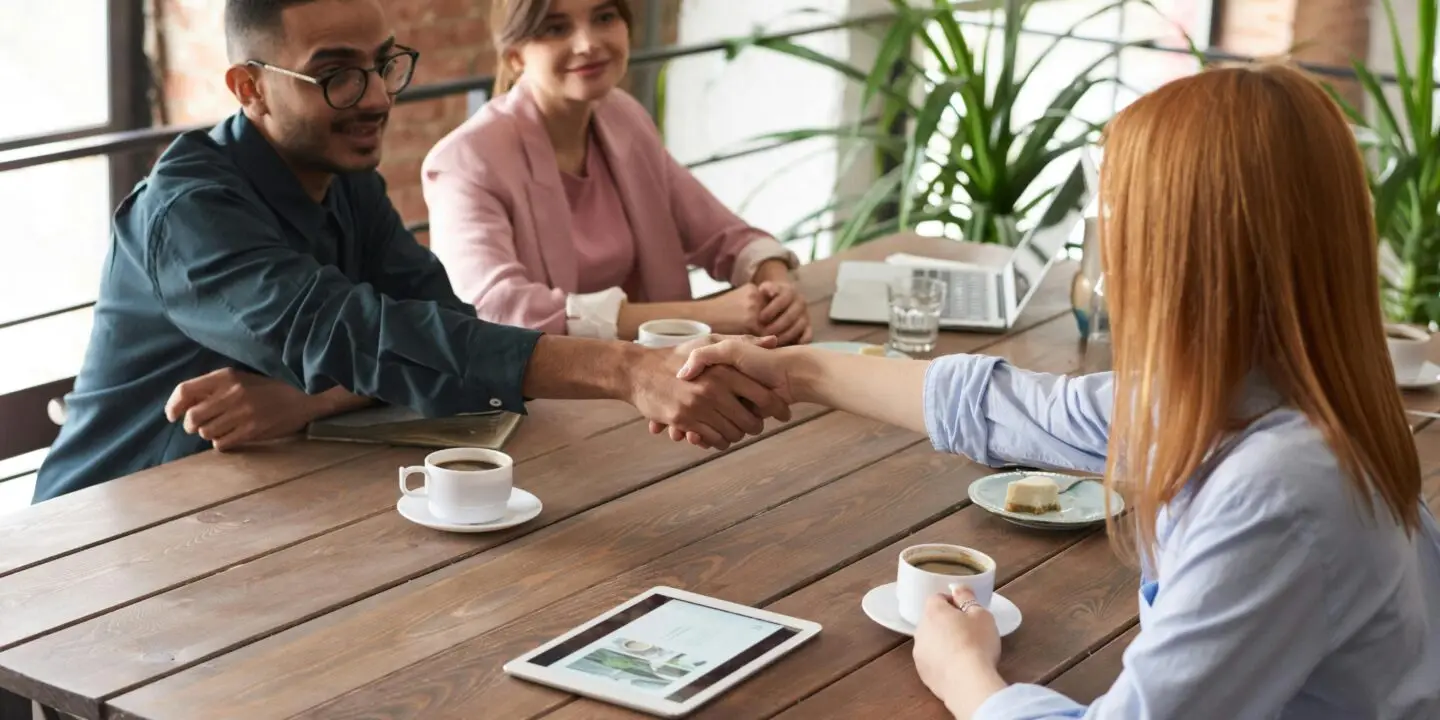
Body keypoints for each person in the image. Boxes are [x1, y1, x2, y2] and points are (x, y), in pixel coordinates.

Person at [672, 64, 1440, 718]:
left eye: (1119, 225)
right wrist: (796, 371)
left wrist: (965, 673)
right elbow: (1005, 407)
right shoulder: (1255, 394)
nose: (1105, 255)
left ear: (1189, 256)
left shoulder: (1283, 492)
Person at [32, 0, 788, 504]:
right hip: (104, 534)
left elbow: (438, 321)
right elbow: (349, 333)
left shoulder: (341, 175)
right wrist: (624, 369)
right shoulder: (191, 210)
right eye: (335, 75)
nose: (376, 97)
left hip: (267, 503)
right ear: (250, 88)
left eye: (383, 63)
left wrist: (308, 397)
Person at [419, 0, 812, 345]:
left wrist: (773, 282)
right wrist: (697, 317)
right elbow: (496, 310)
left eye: (604, 16)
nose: (588, 43)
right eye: (556, 28)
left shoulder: (622, 115)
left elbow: (719, 232)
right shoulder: (465, 160)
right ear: (515, 56)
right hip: (543, 405)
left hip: (663, 381)